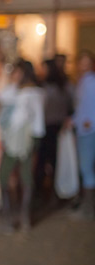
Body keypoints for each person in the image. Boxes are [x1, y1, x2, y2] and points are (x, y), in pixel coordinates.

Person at [0, 59, 45, 232]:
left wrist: (34, 141)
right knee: (4, 175)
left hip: (25, 138)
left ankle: (24, 217)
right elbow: (1, 97)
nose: (15, 75)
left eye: (18, 72)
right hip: (10, 138)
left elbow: (38, 121)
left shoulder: (34, 93)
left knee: (25, 175)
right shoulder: (14, 90)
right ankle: (8, 216)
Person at [35, 59, 74, 194]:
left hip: (54, 127)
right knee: (47, 160)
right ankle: (46, 192)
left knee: (52, 159)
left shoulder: (56, 87)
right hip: (49, 127)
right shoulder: (60, 86)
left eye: (43, 68)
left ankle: (52, 192)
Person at [71, 51, 95, 220]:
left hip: (88, 131)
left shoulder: (91, 82)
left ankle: (88, 209)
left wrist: (90, 122)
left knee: (86, 168)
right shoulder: (82, 82)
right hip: (83, 129)